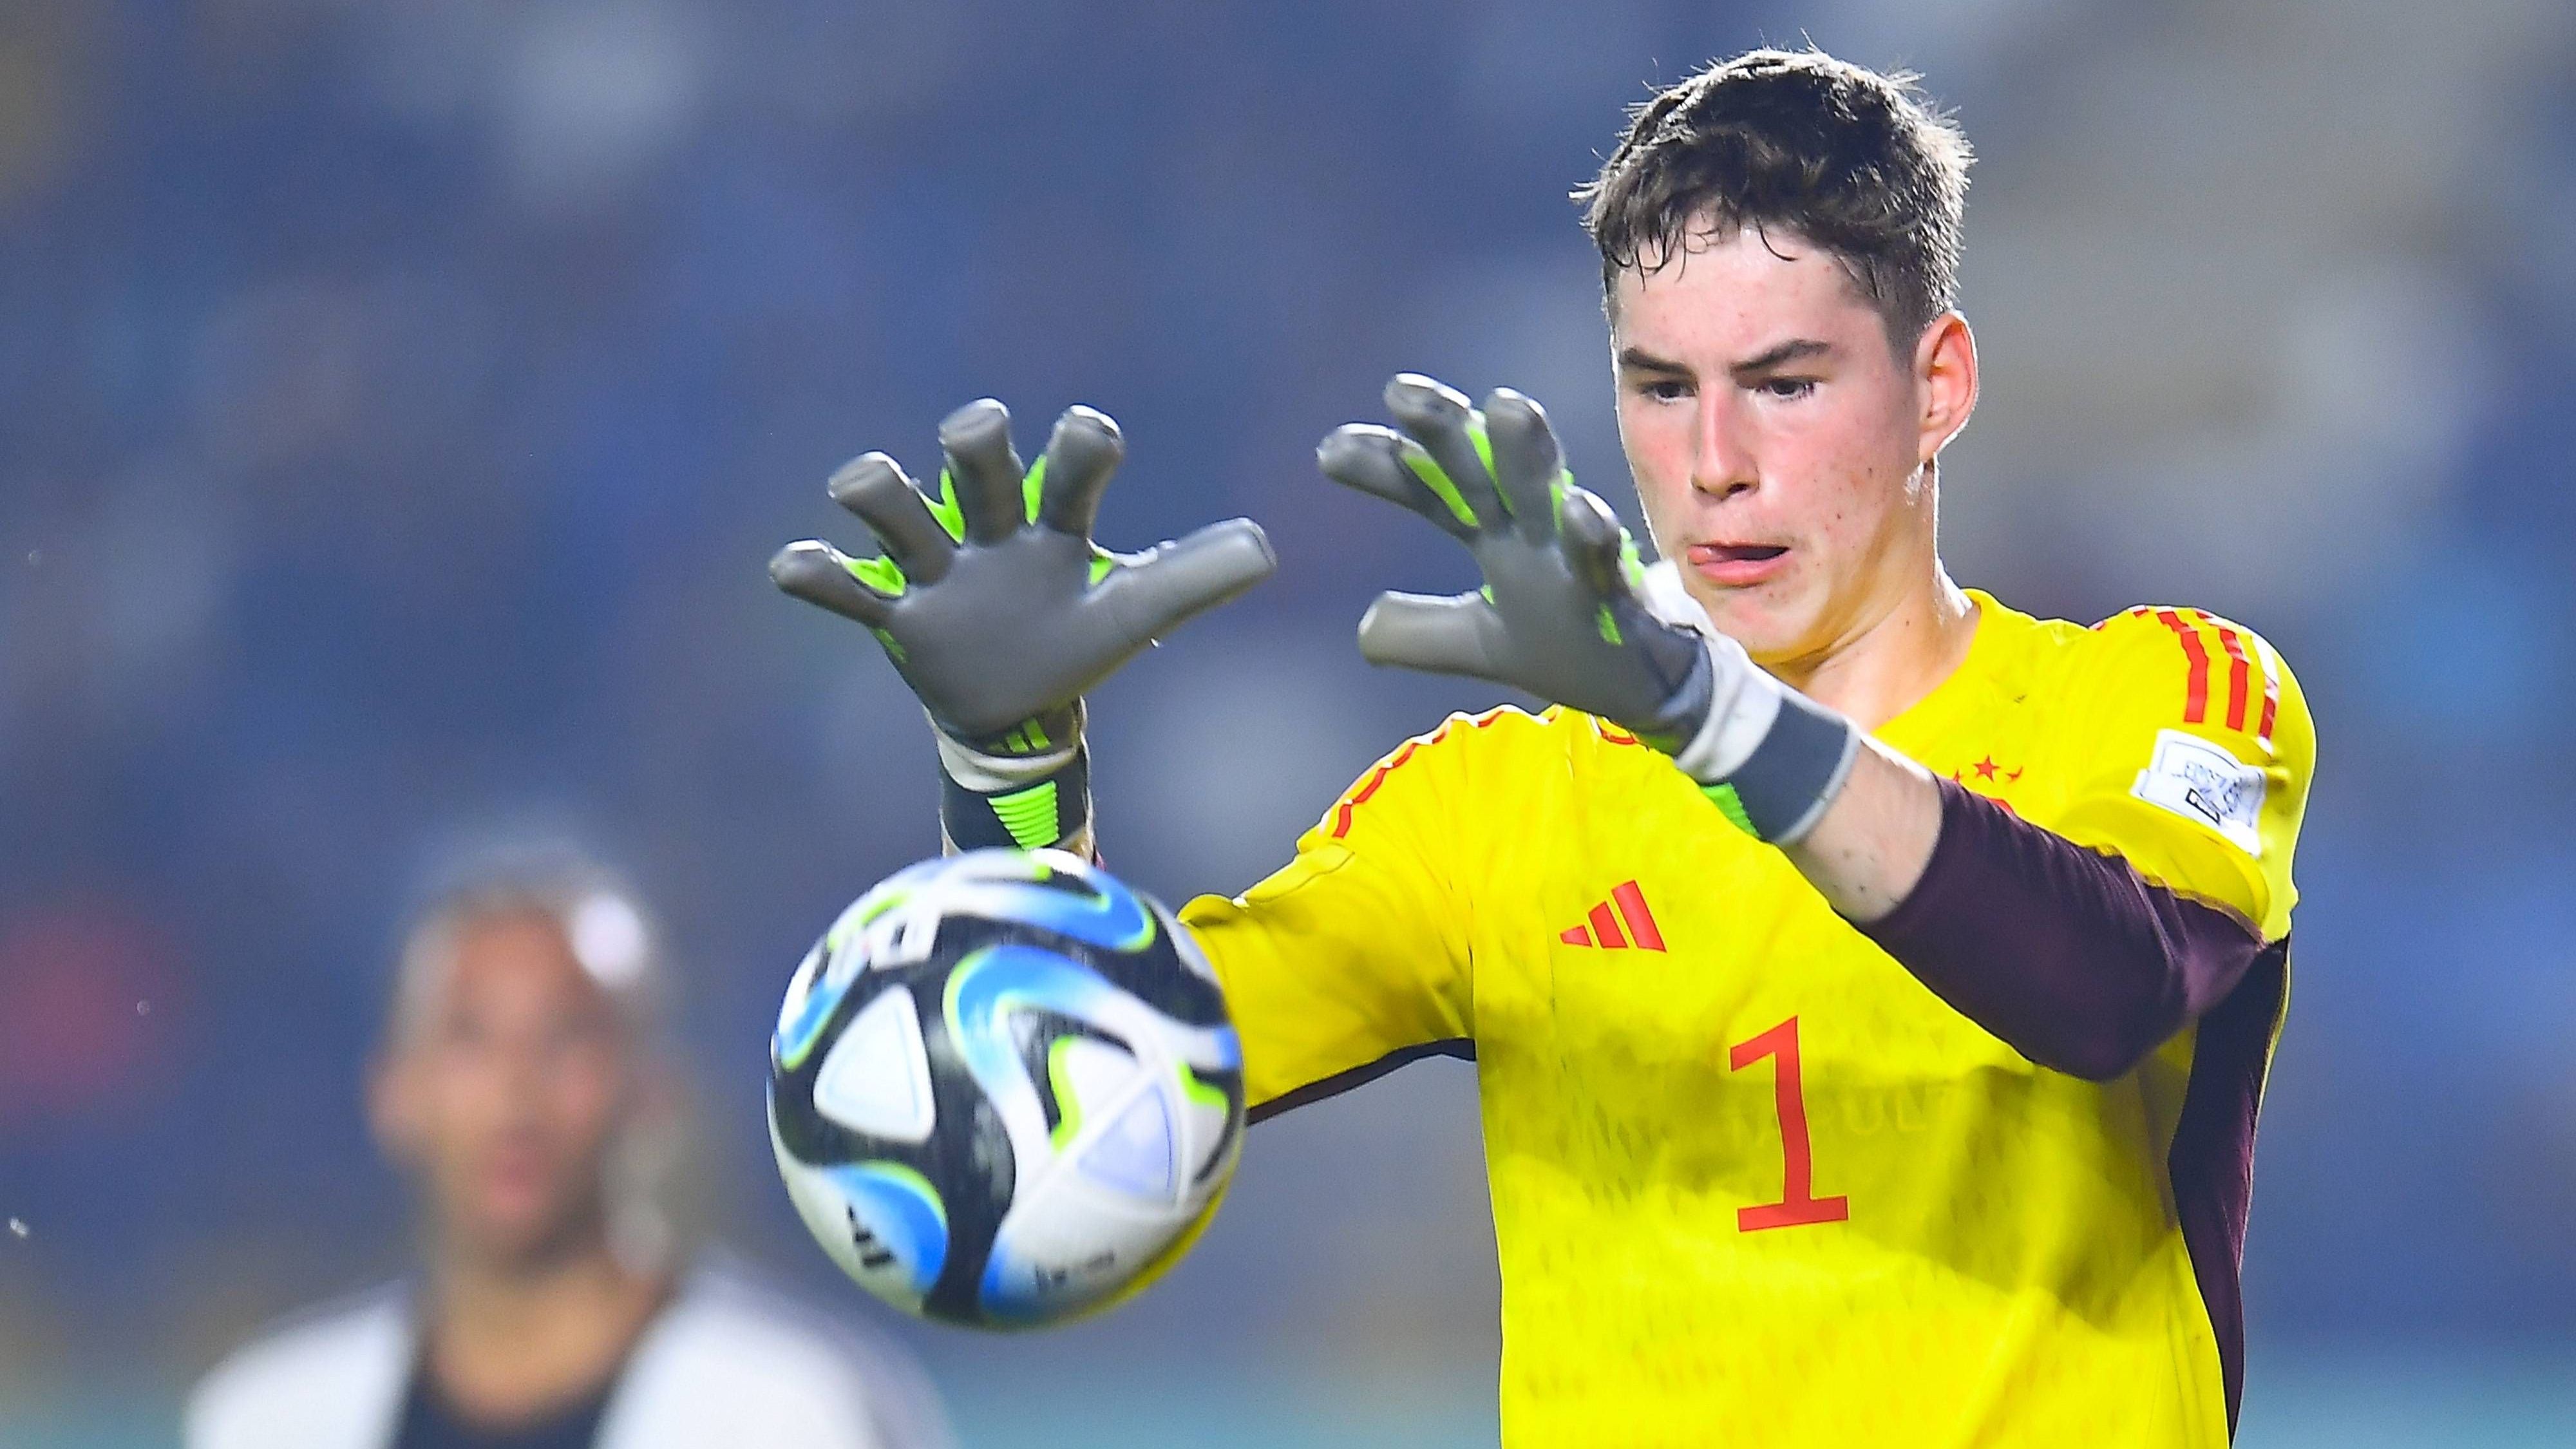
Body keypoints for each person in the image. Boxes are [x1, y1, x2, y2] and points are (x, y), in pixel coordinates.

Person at [769, 47, 2313, 1448]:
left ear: (1936, 386)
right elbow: (1084, 1098)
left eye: (1785, 384)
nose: (1715, 465)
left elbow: (2110, 988)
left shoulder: (2164, 696)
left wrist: (1716, 726)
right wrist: (1010, 779)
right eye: (1661, 388)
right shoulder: (1499, 807)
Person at [186, 857, 954, 1449]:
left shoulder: (796, 1411)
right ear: (394, 1090)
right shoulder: (270, 1420)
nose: (516, 1091)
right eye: (470, 1039)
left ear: (651, 1091)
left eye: (566, 1038)